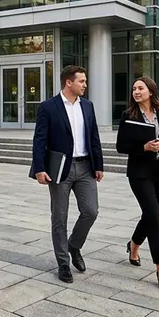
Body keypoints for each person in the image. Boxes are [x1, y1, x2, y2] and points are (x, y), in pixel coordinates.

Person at [29, 65, 104, 283]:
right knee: (59, 218)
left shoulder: (88, 106)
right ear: (68, 82)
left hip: (85, 167)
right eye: (82, 81)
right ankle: (63, 263)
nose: (85, 85)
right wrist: (39, 169)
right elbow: (39, 140)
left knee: (91, 211)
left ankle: (74, 245)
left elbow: (94, 137)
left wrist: (98, 165)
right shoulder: (48, 107)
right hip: (60, 169)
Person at [116, 76, 159, 292]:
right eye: (134, 88)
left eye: (140, 88)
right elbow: (121, 146)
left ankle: (134, 245)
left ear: (151, 91)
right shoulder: (128, 115)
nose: (136, 91)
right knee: (153, 216)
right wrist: (143, 148)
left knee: (150, 216)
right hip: (139, 173)